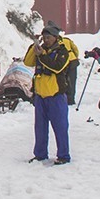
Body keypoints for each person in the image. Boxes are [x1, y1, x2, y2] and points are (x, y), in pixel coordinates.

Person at [23, 23, 75, 164]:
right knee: (40, 127)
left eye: (48, 37)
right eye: (44, 37)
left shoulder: (62, 51)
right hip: (41, 95)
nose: (45, 40)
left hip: (56, 95)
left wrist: (43, 56)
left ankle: (63, 155)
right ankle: (40, 154)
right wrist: (34, 48)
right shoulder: (41, 50)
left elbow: (57, 67)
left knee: (60, 127)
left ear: (55, 38)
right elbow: (28, 62)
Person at [59, 28, 81, 106]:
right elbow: (75, 50)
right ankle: (71, 99)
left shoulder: (54, 42)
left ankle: (64, 98)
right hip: (72, 61)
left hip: (62, 62)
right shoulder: (67, 40)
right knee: (72, 80)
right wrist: (75, 56)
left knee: (63, 80)